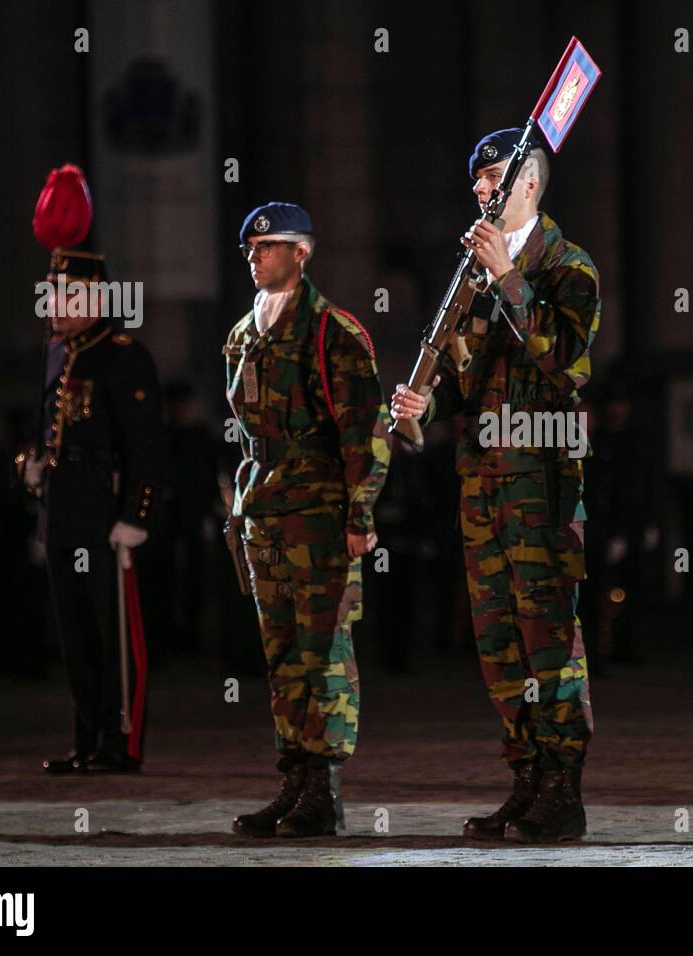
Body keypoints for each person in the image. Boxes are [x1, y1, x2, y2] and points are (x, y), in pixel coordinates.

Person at [391, 129, 601, 843]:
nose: (482, 191)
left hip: (541, 487)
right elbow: (464, 381)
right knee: (499, 643)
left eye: (494, 179)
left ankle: (563, 790)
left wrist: (509, 278)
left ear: (530, 185)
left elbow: (565, 362)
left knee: (550, 639)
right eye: (477, 180)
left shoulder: (567, 268)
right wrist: (427, 404)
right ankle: (526, 777)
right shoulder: (471, 281)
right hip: (482, 490)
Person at [226, 202, 391, 839]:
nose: (256, 256)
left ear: (302, 252)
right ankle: (293, 779)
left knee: (325, 653)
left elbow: (364, 434)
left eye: (268, 246)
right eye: (251, 248)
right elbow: (247, 437)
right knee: (283, 655)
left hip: (321, 514)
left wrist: (360, 514)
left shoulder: (332, 330)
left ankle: (322, 790)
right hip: (266, 514)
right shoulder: (243, 335)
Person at [22, 247, 165, 773]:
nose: (55, 305)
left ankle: (119, 741)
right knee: (75, 632)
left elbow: (146, 445)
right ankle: (86, 738)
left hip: (105, 518)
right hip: (63, 509)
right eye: (52, 294)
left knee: (112, 634)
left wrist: (136, 515)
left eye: (67, 294)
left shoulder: (123, 354)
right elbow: (42, 433)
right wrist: (30, 466)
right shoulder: (57, 353)